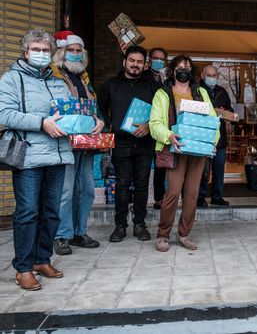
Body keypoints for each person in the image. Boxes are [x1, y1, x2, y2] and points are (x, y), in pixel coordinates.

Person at [0, 29, 75, 291]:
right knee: (27, 213)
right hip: (29, 154)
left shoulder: (57, 81)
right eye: (36, 49)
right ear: (25, 51)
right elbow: (6, 114)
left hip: (57, 154)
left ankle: (42, 259)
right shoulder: (12, 79)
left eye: (46, 50)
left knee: (51, 212)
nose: (42, 54)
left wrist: (91, 121)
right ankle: (23, 268)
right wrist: (41, 122)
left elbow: (70, 112)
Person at [149, 55, 219, 252]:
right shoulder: (162, 94)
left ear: (192, 72)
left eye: (187, 68)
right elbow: (154, 124)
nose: (183, 71)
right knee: (172, 193)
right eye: (180, 68)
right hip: (176, 149)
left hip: (197, 152)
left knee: (192, 194)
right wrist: (169, 135)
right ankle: (163, 235)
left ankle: (184, 234)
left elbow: (213, 120)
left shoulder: (201, 92)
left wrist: (212, 141)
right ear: (172, 70)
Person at [51, 31, 105, 255]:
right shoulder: (52, 76)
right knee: (65, 191)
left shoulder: (85, 79)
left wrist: (99, 121)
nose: (75, 54)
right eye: (71, 50)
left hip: (86, 142)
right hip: (64, 142)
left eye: (78, 51)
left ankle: (79, 232)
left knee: (86, 190)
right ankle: (61, 235)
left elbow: (93, 108)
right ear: (61, 52)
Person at [98, 46, 159, 243]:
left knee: (141, 184)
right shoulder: (110, 85)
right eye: (132, 60)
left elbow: (161, 113)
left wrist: (149, 126)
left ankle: (140, 224)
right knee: (122, 184)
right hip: (121, 142)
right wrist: (111, 127)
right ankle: (120, 226)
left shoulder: (152, 86)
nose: (135, 65)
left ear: (145, 64)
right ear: (124, 61)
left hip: (145, 142)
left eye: (139, 62)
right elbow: (100, 110)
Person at [197, 64, 232, 208]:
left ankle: (217, 196)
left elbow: (230, 110)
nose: (212, 78)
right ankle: (200, 197)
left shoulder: (222, 92)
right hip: (202, 136)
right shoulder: (196, 90)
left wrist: (225, 112)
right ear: (202, 75)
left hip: (220, 137)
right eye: (209, 75)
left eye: (214, 75)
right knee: (202, 169)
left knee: (219, 168)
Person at [147, 47, 168, 210]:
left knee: (161, 166)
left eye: (161, 58)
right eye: (155, 58)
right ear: (149, 60)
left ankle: (159, 197)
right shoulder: (143, 77)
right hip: (145, 128)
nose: (158, 61)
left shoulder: (166, 79)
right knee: (144, 167)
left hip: (161, 128)